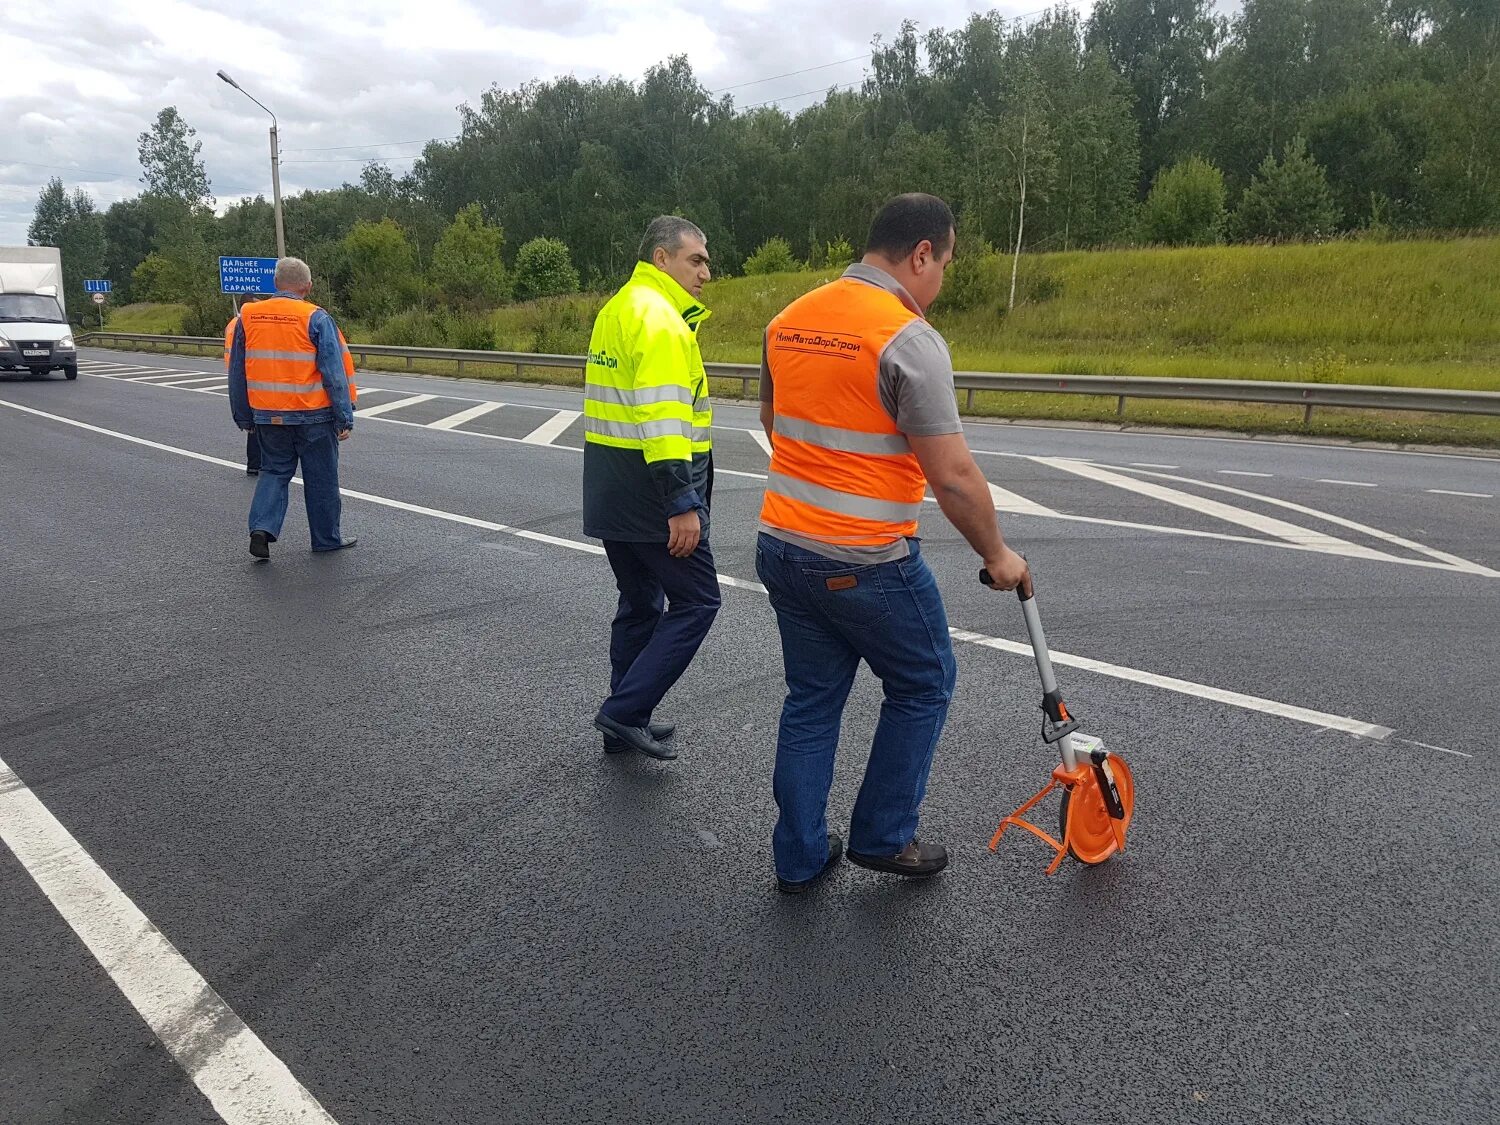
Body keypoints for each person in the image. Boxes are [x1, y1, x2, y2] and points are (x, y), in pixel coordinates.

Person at [755, 193, 1030, 893]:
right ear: (921, 255)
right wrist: (998, 555)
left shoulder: (788, 320)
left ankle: (799, 854)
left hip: (783, 543)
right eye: (944, 266)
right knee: (924, 680)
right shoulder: (907, 338)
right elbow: (955, 476)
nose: (939, 285)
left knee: (812, 699)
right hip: (866, 559)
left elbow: (774, 418)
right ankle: (883, 833)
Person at [582, 216, 721, 761]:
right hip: (651, 495)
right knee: (698, 601)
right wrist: (682, 501)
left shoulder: (619, 307)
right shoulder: (660, 319)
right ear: (662, 259)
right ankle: (623, 711)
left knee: (641, 601)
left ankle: (625, 715)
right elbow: (663, 420)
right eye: (696, 260)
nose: (706, 273)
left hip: (612, 488)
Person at [227, 257, 359, 560]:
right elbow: (332, 371)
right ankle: (326, 539)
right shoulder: (315, 317)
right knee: (321, 478)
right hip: (313, 415)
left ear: (275, 284)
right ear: (308, 286)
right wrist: (344, 417)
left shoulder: (249, 316)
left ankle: (261, 529)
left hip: (268, 415)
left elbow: (237, 371)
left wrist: (243, 415)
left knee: (273, 471)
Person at [224, 300, 261, 476]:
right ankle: (257, 463)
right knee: (256, 423)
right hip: (249, 372)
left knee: (252, 424)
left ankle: (254, 464)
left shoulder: (232, 323)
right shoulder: (247, 323)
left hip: (236, 372)